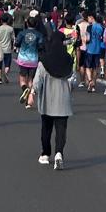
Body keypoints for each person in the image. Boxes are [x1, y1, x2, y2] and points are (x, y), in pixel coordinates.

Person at [29, 28, 75, 169]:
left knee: (46, 128)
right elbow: (72, 79)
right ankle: (59, 153)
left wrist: (32, 93)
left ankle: (45, 154)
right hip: (63, 99)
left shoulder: (44, 61)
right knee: (61, 129)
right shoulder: (68, 60)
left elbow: (38, 80)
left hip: (47, 100)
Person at [15, 12, 46, 105]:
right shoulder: (39, 34)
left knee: (22, 78)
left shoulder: (22, 33)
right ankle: (30, 98)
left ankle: (25, 89)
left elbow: (16, 43)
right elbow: (41, 46)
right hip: (33, 59)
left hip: (23, 59)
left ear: (27, 23)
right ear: (36, 24)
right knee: (31, 79)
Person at [0, 13, 15, 84]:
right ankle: (5, 73)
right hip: (8, 49)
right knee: (7, 65)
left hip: (0, 49)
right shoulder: (10, 29)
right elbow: (13, 39)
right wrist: (14, 46)